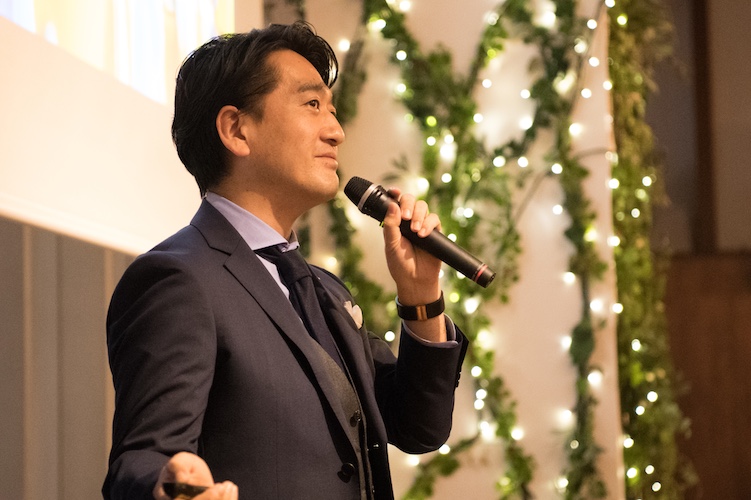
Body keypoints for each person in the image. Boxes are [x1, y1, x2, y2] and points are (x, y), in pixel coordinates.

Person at [104, 21, 467, 500]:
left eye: (332, 110)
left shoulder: (325, 290)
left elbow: (419, 427)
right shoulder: (178, 279)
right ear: (236, 130)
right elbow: (143, 458)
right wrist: (170, 488)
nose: (336, 131)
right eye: (312, 105)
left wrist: (421, 298)